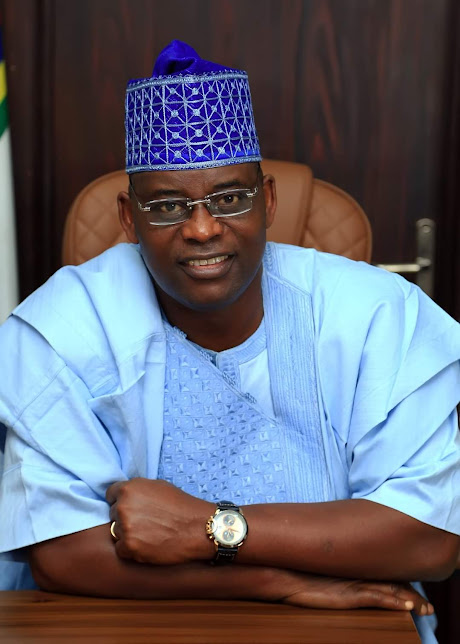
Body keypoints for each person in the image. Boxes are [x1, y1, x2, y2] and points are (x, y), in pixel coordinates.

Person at [0, 40, 459, 642]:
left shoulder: (376, 313)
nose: (202, 228)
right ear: (129, 218)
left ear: (267, 199)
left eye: (230, 198)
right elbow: (61, 553)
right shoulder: (67, 324)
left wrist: (203, 528)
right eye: (167, 205)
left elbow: (432, 536)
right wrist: (279, 582)